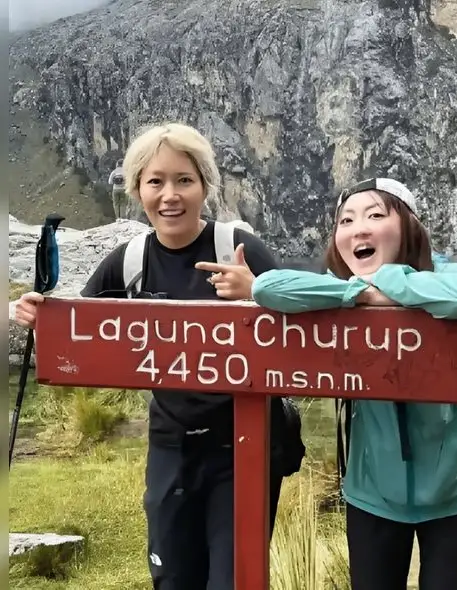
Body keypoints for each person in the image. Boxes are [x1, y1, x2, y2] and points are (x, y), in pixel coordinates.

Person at [12, 122, 301, 590]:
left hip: (245, 449)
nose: (170, 195)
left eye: (184, 180)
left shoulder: (240, 251)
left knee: (235, 581)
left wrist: (258, 291)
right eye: (155, 181)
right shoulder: (127, 261)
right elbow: (77, 330)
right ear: (137, 190)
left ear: (205, 185)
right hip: (170, 447)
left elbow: (306, 323)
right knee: (172, 579)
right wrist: (39, 313)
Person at [250, 177, 457, 590]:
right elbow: (266, 286)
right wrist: (356, 294)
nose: (358, 228)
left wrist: (391, 283)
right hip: (372, 495)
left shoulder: (441, 273)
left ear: (408, 226)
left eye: (376, 215)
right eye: (345, 220)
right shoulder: (336, 288)